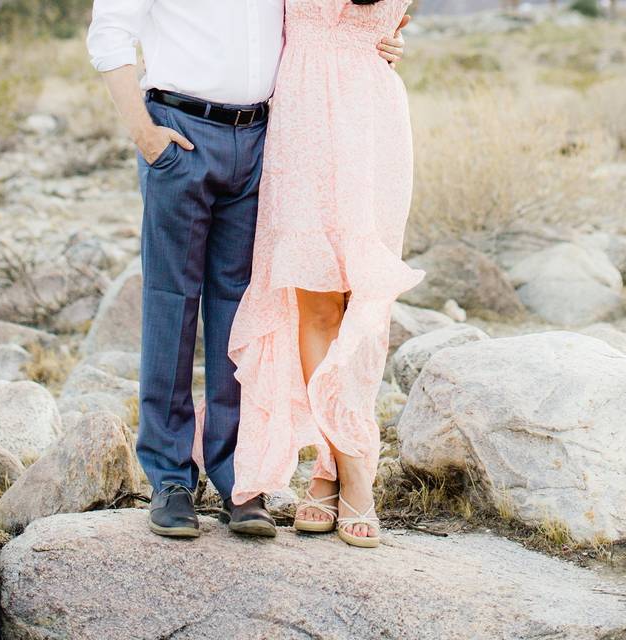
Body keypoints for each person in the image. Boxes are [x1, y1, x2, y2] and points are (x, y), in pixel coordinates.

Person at [86, 0, 407, 539]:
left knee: (241, 309)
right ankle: (170, 480)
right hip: (179, 129)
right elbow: (109, 32)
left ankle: (240, 478)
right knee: (172, 304)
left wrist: (382, 38)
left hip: (262, 137)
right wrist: (143, 132)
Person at [228, 0, 423, 549]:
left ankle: (346, 468)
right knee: (315, 304)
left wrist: (392, 39)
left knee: (362, 298)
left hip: (370, 126)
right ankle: (333, 464)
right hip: (302, 122)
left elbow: (391, 23)